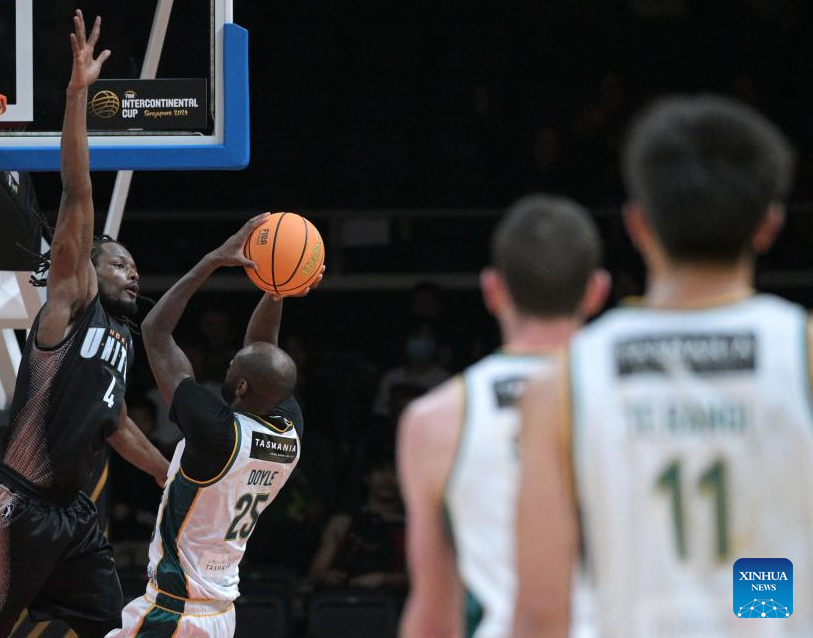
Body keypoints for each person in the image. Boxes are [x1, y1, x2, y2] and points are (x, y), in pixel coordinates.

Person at [512, 95, 810, 638]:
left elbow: (540, 611)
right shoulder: (802, 352)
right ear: (769, 226)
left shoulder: (562, 383)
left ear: (637, 224)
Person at [0, 10, 169, 638]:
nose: (133, 272)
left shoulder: (122, 339)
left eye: (135, 266)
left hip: (73, 515)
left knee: (112, 627)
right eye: (119, 263)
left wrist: (167, 473)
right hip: (15, 506)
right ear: (85, 269)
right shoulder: (71, 303)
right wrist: (77, 96)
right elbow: (78, 194)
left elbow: (115, 422)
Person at [398, 195, 608, 638]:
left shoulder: (436, 420)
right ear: (597, 291)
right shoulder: (647, 400)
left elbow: (435, 615)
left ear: (492, 290)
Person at [107, 214, 324, 638]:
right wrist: (276, 289)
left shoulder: (217, 433)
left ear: (241, 386)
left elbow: (155, 332)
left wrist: (213, 260)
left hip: (173, 614)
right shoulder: (289, 432)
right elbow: (263, 350)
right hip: (219, 613)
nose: (229, 362)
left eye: (233, 364)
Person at [308, 449, 407, 592]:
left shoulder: (417, 527)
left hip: (397, 602)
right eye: (381, 471)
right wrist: (326, 576)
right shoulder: (341, 523)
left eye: (394, 472)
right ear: (367, 477)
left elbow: (427, 577)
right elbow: (316, 572)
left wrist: (385, 579)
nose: (388, 479)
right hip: (343, 599)